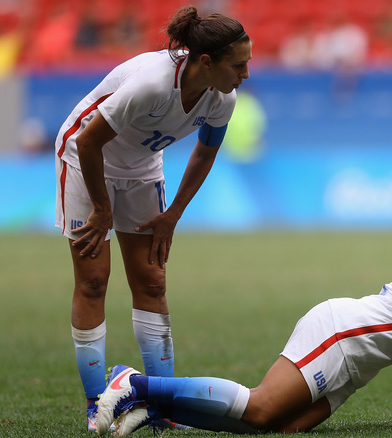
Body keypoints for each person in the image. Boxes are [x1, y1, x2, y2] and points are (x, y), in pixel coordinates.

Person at [94, 198, 392, 436]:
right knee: (260, 407)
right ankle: (134, 384)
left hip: (356, 364)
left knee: (270, 429)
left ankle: (156, 407)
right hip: (340, 337)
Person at [53, 5, 251, 432]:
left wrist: (171, 216)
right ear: (205, 62)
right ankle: (96, 404)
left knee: (152, 281)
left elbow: (206, 151)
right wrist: (103, 209)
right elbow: (88, 141)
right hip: (85, 155)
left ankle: (163, 406)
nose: (246, 73)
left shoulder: (224, 97)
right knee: (93, 280)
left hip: (143, 166)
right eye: (239, 64)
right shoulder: (150, 85)